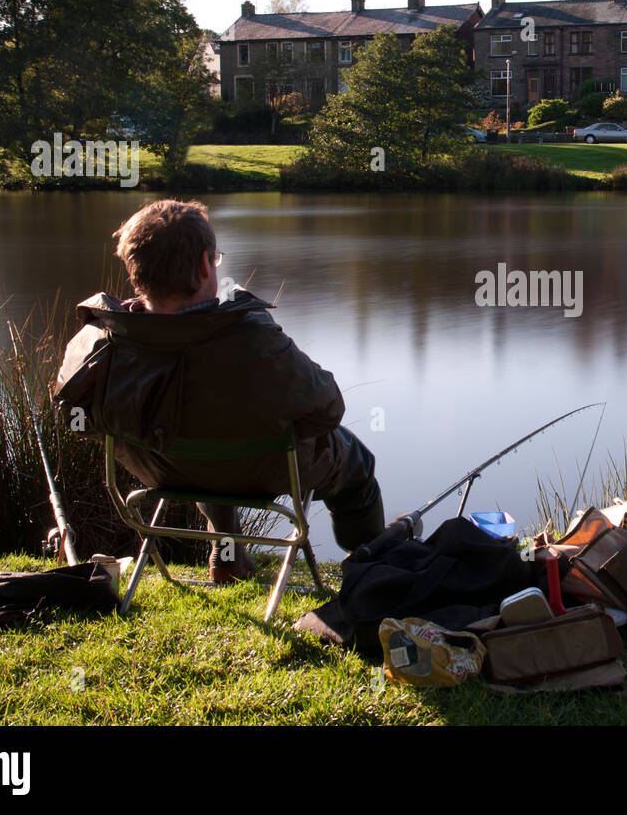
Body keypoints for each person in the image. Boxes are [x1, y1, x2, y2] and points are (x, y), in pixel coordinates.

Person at [54, 199, 384, 581]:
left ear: (135, 272)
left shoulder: (103, 339)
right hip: (263, 472)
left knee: (202, 446)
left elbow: (74, 417)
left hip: (161, 469)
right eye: (215, 260)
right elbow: (328, 410)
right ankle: (370, 561)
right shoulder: (252, 336)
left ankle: (227, 556)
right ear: (202, 266)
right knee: (355, 460)